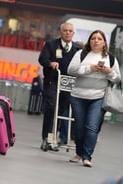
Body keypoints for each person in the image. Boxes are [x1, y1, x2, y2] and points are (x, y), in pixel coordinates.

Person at [67, 30, 121, 167]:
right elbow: (71, 70)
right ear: (89, 42)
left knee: (92, 127)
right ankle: (79, 153)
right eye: (93, 38)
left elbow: (117, 79)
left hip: (98, 97)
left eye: (99, 39)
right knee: (79, 128)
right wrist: (89, 68)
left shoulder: (111, 58)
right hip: (78, 96)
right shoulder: (81, 54)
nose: (96, 41)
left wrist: (108, 72)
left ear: (104, 43)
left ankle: (87, 157)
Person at [38, 22, 82, 151]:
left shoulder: (77, 49)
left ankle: (53, 138)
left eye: (70, 31)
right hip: (53, 81)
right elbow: (42, 59)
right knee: (51, 108)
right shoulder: (51, 45)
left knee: (60, 110)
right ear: (61, 32)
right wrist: (50, 63)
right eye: (65, 30)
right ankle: (46, 138)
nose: (67, 33)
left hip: (68, 84)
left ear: (73, 34)